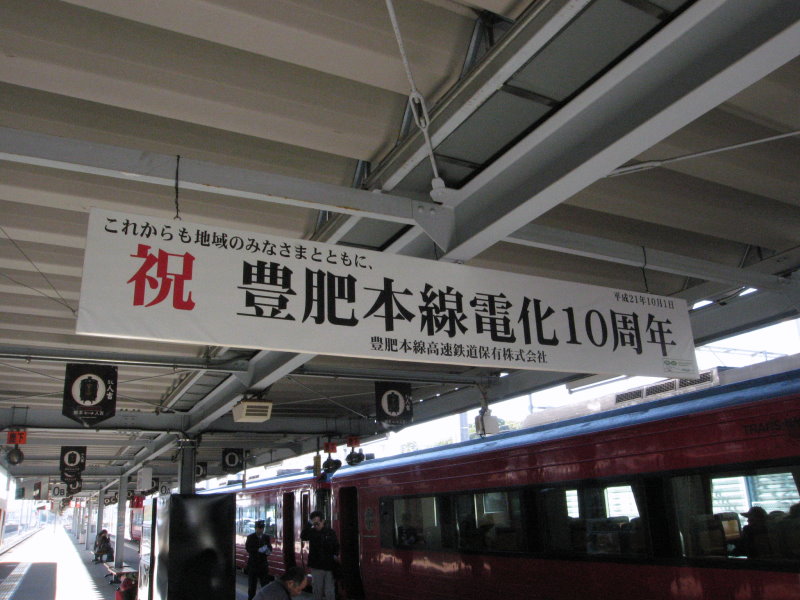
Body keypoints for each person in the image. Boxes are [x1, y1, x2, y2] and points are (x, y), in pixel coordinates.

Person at [300, 511, 339, 600]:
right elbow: (303, 536)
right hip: (316, 566)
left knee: (329, 590)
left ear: (323, 521)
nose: (316, 526)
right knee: (317, 590)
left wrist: (335, 555)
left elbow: (336, 546)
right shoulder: (312, 532)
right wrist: (309, 524)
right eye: (314, 524)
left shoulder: (330, 532)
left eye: (317, 523)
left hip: (329, 566)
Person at [246, 520, 273, 600]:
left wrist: (268, 551)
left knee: (265, 586)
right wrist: (257, 550)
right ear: (256, 528)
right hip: (253, 565)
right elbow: (248, 548)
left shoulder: (266, 537)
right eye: (259, 528)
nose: (261, 530)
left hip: (263, 565)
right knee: (252, 587)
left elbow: (269, 547)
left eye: (262, 528)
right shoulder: (250, 537)